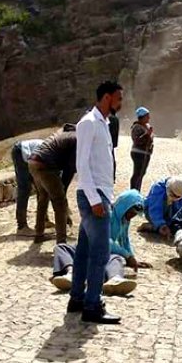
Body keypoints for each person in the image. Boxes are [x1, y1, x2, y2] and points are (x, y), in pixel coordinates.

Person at [71, 80, 123, 324]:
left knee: (83, 251)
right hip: (94, 196)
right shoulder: (88, 123)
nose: (120, 102)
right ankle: (92, 306)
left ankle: (77, 298)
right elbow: (81, 165)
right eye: (118, 98)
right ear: (106, 98)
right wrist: (95, 200)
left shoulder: (105, 123)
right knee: (100, 253)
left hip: (100, 194)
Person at [51, 190, 151, 296]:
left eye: (134, 214)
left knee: (116, 258)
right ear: (124, 206)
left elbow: (124, 240)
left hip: (101, 255)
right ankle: (71, 273)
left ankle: (115, 279)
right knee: (61, 248)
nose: (132, 216)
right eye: (131, 212)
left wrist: (132, 258)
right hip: (86, 250)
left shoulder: (124, 220)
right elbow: (104, 240)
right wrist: (127, 256)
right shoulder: (107, 214)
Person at [27, 130, 77, 244]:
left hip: (33, 162)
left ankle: (39, 234)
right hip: (45, 165)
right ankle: (62, 242)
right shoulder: (78, 139)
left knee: (43, 197)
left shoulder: (67, 134)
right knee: (59, 202)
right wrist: (64, 199)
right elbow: (69, 169)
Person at [11, 138, 43, 236]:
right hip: (20, 152)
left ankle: (43, 220)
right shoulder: (51, 153)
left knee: (42, 188)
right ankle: (22, 226)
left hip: (31, 156)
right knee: (24, 188)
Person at [130, 107, 154, 191]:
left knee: (141, 173)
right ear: (142, 117)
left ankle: (137, 190)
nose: (149, 118)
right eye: (147, 116)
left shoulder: (147, 126)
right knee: (137, 174)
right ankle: (133, 191)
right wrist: (147, 134)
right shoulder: (136, 127)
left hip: (146, 154)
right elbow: (137, 141)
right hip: (138, 153)